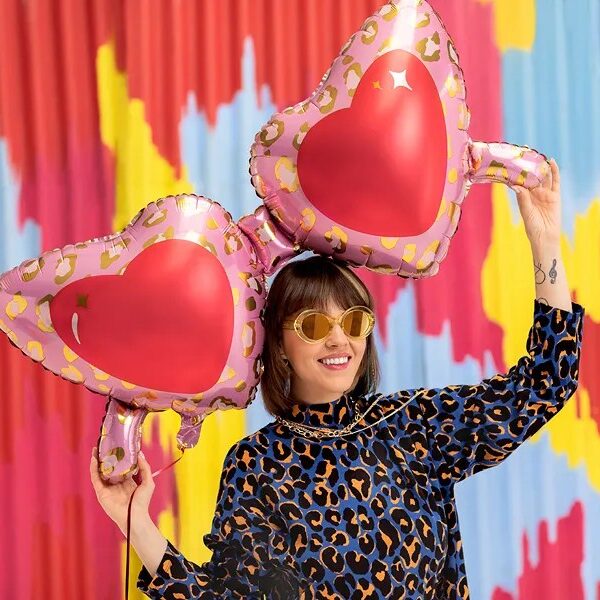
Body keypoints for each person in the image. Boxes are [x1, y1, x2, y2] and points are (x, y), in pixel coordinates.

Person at [90, 159, 585, 599]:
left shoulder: (411, 426)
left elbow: (544, 384)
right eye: (313, 326)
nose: (338, 341)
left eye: (353, 322)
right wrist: (133, 519)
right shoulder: (257, 465)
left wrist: (544, 238)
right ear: (278, 343)